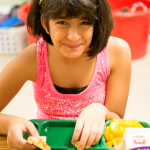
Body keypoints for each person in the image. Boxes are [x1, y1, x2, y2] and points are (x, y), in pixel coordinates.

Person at [0, 0, 131, 150]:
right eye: (62, 21)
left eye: (85, 22)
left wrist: (102, 111)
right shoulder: (33, 58)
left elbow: (118, 121)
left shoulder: (117, 52)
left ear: (97, 21)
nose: (74, 37)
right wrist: (11, 123)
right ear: (45, 22)